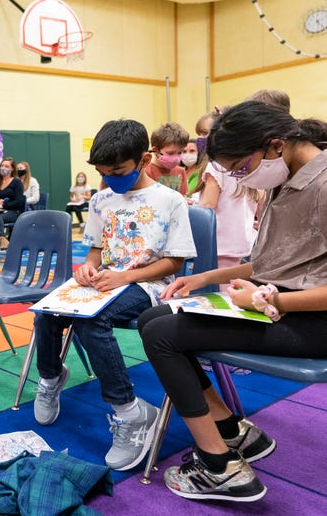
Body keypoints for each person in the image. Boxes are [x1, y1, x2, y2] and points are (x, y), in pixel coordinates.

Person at [137, 102, 327, 502]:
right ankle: (232, 431)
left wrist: (267, 301)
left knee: (163, 335)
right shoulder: (285, 177)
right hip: (279, 303)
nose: (241, 177)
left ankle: (220, 466)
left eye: (241, 167)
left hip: (309, 319)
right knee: (152, 318)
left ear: (275, 145)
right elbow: (278, 260)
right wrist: (206, 276)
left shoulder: (322, 183)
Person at [32, 119, 196, 472]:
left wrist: (126, 276)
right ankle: (50, 377)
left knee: (92, 322)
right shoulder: (101, 199)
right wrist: (87, 269)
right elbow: (94, 250)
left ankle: (129, 411)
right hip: (106, 282)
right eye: (104, 173)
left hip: (150, 286)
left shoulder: (170, 200)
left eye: (118, 170)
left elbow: (175, 262)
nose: (110, 179)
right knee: (47, 311)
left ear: (143, 158)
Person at [195, 111, 261, 287]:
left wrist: (190, 209)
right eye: (199, 134)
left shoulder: (216, 166)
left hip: (219, 243)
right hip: (243, 243)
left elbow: (207, 207)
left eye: (206, 134)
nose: (202, 139)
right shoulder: (251, 166)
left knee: (217, 292)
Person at [145, 122, 189, 195]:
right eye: (170, 153)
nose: (176, 159)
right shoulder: (146, 172)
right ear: (156, 151)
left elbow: (183, 197)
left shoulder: (181, 171)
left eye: (180, 152)